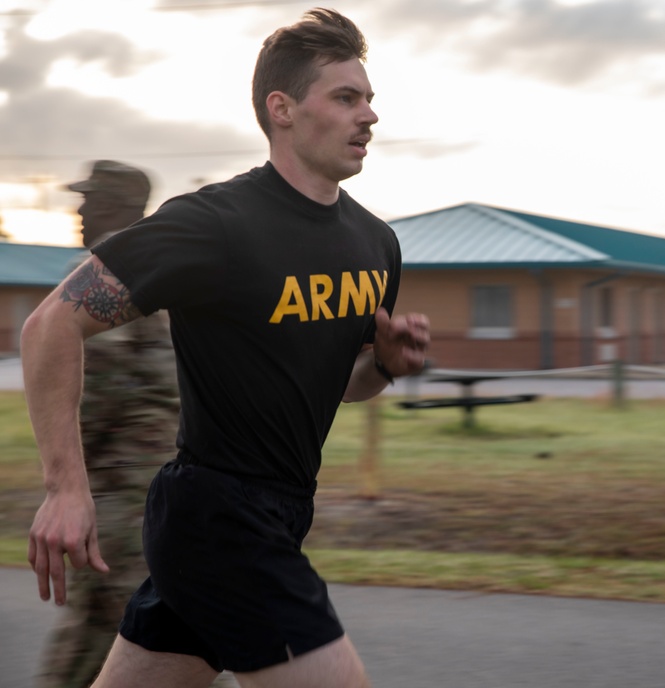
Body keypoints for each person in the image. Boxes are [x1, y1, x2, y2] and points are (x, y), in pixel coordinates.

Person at [22, 8, 429, 688]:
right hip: (219, 519)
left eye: (370, 100)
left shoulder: (374, 244)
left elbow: (342, 382)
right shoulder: (214, 226)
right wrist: (67, 487)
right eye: (346, 98)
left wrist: (383, 365)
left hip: (281, 510)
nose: (369, 117)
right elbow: (49, 325)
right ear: (284, 109)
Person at [34, 160, 175, 688]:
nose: (79, 209)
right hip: (156, 485)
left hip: (123, 489)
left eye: (89, 199)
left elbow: (96, 379)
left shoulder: (112, 273)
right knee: (123, 633)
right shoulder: (160, 265)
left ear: (117, 207)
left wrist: (67, 480)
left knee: (135, 640)